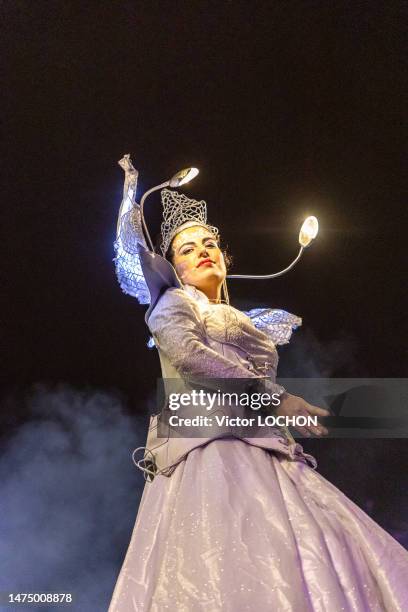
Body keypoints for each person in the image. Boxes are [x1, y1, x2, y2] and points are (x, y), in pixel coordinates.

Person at [109, 158, 408, 611]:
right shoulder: (171, 301)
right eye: (187, 249)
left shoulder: (245, 319)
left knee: (324, 551)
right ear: (172, 267)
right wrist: (277, 398)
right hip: (212, 451)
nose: (203, 251)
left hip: (269, 450)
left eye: (209, 243)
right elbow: (193, 360)